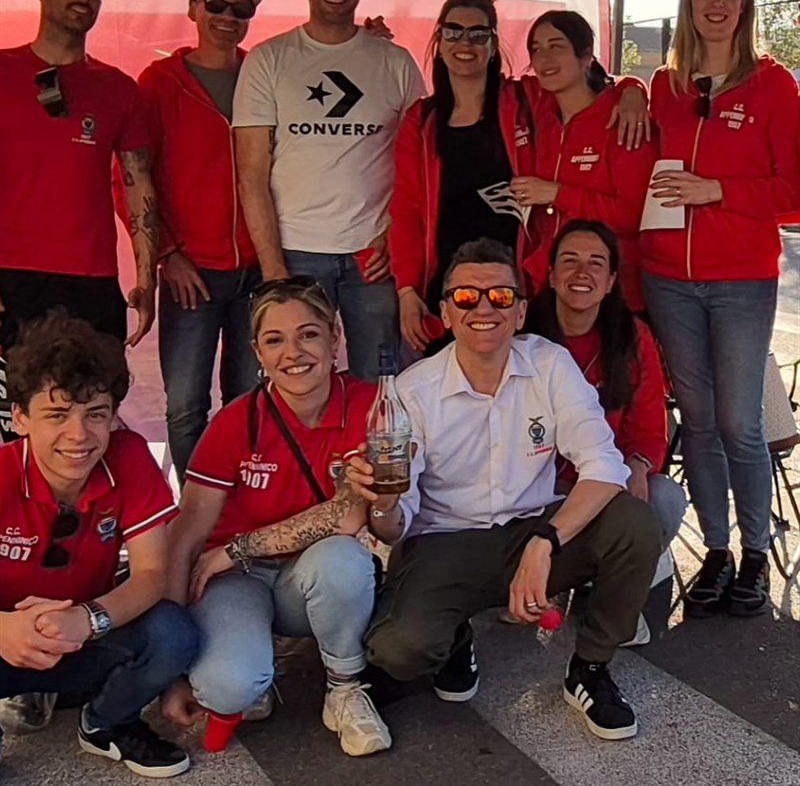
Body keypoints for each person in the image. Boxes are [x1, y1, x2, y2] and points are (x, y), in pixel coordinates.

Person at [346, 238, 661, 742]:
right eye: (466, 297)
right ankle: (454, 636)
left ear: (520, 312)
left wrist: (545, 541)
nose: (484, 308)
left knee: (635, 522)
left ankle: (591, 668)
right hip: (447, 543)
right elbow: (394, 524)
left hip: (531, 528)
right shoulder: (412, 392)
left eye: (500, 296)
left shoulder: (550, 364)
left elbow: (604, 465)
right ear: (446, 313)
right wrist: (383, 505)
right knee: (399, 652)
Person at [162, 277, 392, 757]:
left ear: (335, 337)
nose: (293, 352)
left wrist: (237, 548)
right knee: (227, 687)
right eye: (274, 340)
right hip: (235, 580)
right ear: (257, 353)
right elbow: (185, 537)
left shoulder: (371, 407)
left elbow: (347, 517)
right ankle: (254, 666)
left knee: (342, 558)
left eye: (308, 334)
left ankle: (346, 687)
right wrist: (169, 668)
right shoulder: (237, 420)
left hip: (303, 576)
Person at [641, 0, 800, 618]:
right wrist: (626, 92)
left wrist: (718, 191)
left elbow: (794, 192)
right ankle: (716, 550)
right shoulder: (663, 85)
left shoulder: (774, 85)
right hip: (667, 280)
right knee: (699, 423)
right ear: (688, 2)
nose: (716, 2)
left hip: (740, 280)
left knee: (739, 423)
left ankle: (755, 552)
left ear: (744, 3)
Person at [0, 314, 199, 777]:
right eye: (57, 414)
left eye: (95, 413)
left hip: (85, 635)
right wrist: (4, 629)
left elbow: (152, 573)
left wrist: (87, 619)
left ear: (114, 416)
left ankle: (106, 722)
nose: (79, 435)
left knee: (173, 632)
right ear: (21, 418)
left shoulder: (128, 456)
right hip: (7, 641)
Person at [232, 0, 426, 381]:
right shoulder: (269, 60)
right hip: (296, 253)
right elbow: (251, 174)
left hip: (372, 255)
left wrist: (394, 237)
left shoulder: (395, 63)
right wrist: (275, 271)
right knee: (297, 380)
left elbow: (419, 165)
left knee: (380, 385)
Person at [528, 219, 687, 643]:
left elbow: (648, 424)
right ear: (551, 275)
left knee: (665, 498)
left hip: (608, 480)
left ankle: (608, 593)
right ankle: (543, 577)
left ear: (612, 281)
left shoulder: (633, 336)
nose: (582, 273)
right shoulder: (525, 333)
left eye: (596, 263)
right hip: (538, 485)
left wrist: (637, 466)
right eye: (570, 261)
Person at [137, 0, 266, 482]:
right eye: (215, 4)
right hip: (192, 271)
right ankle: (195, 509)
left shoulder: (264, 73)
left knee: (247, 398)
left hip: (257, 268)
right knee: (186, 403)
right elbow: (131, 175)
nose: (227, 17)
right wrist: (167, 254)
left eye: (241, 9)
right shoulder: (159, 83)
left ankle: (241, 504)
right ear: (193, 8)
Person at [0, 0, 158, 355]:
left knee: (97, 393)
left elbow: (138, 183)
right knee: (14, 395)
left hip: (92, 277)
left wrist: (146, 278)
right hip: (12, 275)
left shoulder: (119, 88)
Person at [389, 0, 535, 353]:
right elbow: (406, 211)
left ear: (494, 45)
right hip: (448, 291)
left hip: (519, 286)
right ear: (439, 42)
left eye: (478, 34)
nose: (465, 43)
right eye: (453, 32)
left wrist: (629, 91)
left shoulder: (525, 101)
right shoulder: (421, 120)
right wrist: (407, 290)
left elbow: (587, 84)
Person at [512, 10, 656, 311]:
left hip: (611, 296)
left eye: (557, 46)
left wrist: (557, 194)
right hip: (548, 288)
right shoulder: (540, 111)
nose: (545, 58)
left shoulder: (622, 119)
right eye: (536, 49)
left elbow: (633, 215)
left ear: (586, 56)